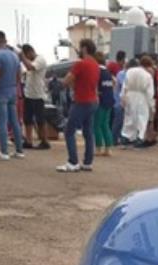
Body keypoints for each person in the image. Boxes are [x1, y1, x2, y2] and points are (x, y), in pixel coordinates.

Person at [58, 38, 100, 172]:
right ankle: (88, 162)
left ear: (84, 49)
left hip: (81, 101)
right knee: (88, 132)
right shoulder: (96, 65)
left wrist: (62, 82)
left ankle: (73, 162)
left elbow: (66, 80)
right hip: (93, 100)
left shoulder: (80, 64)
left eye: (80, 48)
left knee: (69, 131)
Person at [0, 30, 25, 161]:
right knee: (14, 122)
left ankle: (4, 152)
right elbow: (19, 75)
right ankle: (19, 150)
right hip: (12, 91)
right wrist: (14, 86)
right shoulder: (15, 56)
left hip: (1, 92)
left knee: (2, 123)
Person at [20, 44, 50, 150]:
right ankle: (29, 141)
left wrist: (22, 57)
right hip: (29, 94)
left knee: (40, 120)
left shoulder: (40, 59)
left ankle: (44, 141)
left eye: (27, 55)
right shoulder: (30, 61)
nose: (27, 58)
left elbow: (31, 67)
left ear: (30, 52)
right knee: (27, 119)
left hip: (38, 95)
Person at [121, 57, 154, 148]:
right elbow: (150, 92)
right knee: (142, 117)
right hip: (142, 97)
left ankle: (126, 137)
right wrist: (151, 104)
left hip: (130, 95)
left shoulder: (130, 71)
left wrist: (123, 97)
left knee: (129, 117)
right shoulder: (147, 75)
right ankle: (140, 137)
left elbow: (124, 86)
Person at [94, 52, 115, 156]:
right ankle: (108, 148)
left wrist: (97, 92)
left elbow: (94, 85)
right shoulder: (107, 72)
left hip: (100, 100)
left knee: (96, 125)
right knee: (105, 125)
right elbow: (114, 82)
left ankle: (98, 148)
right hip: (109, 100)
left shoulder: (97, 71)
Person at [112, 58, 127, 145]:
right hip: (119, 101)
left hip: (121, 101)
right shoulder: (122, 74)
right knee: (118, 121)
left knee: (121, 122)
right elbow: (123, 86)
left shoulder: (121, 73)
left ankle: (119, 139)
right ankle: (114, 139)